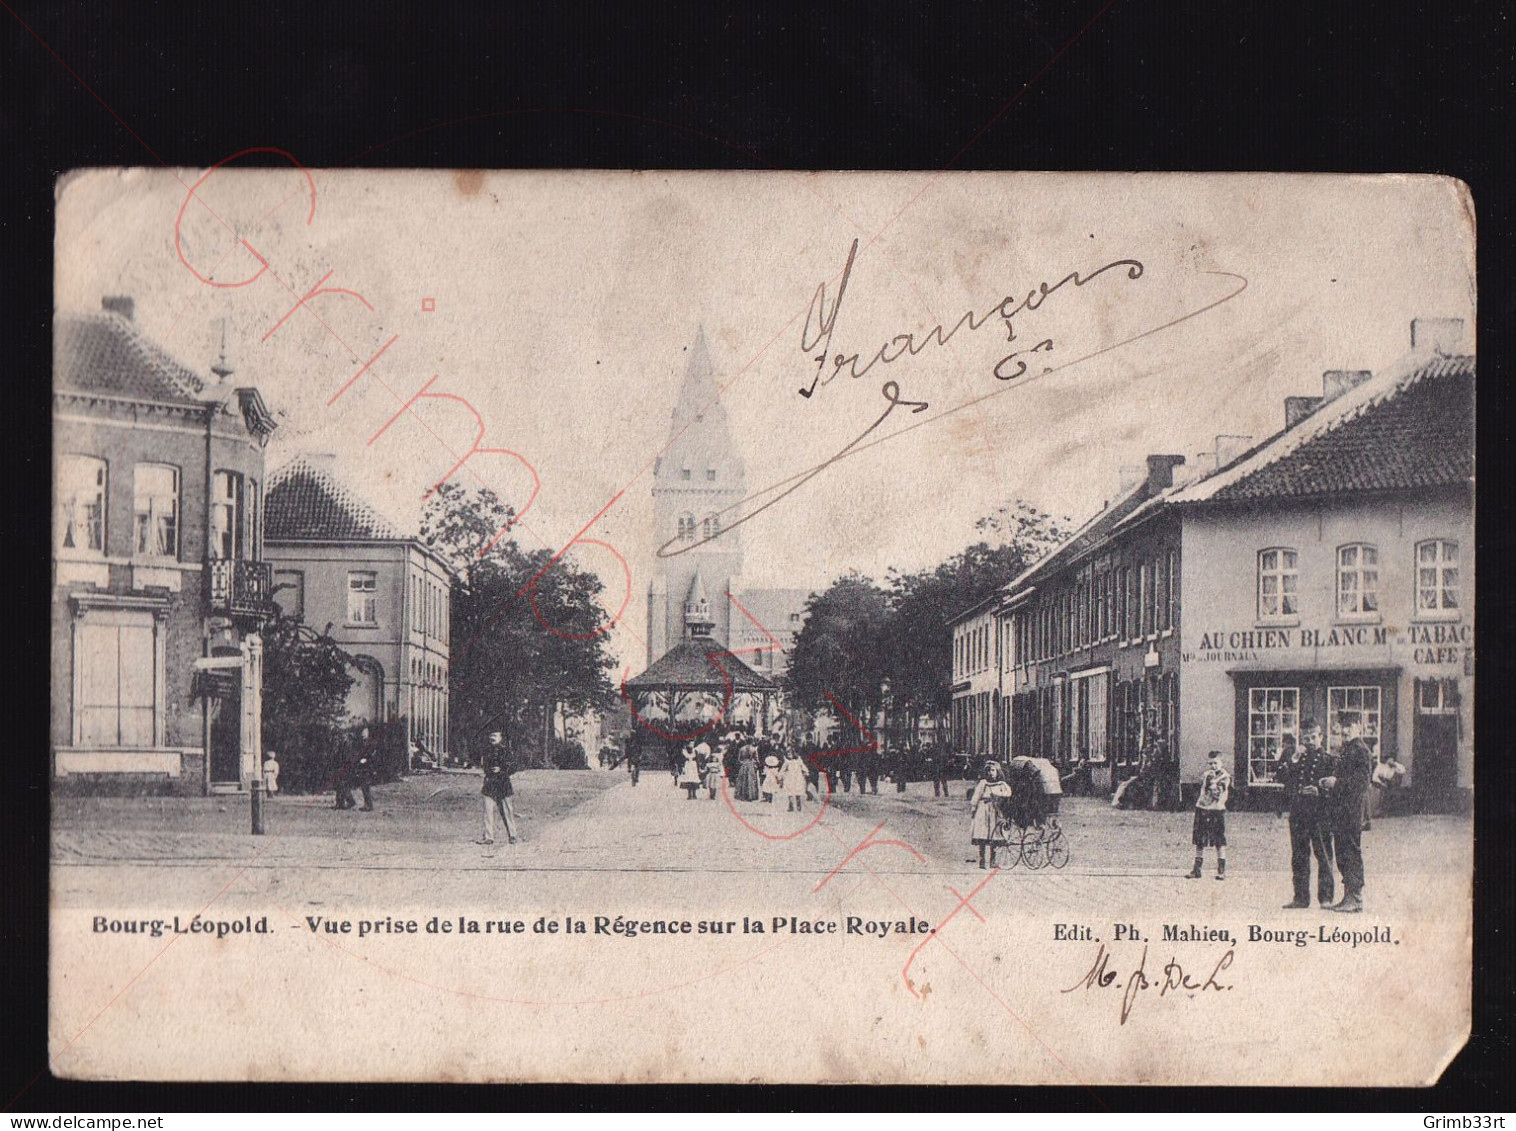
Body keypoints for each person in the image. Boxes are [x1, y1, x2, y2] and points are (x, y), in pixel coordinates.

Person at [1277, 722, 1335, 908]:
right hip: (1299, 813)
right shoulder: (1297, 759)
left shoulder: (1329, 760)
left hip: (1320, 814)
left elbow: (1336, 789)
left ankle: (1326, 898)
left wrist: (1319, 790)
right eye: (1305, 738)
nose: (1309, 741)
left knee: (1323, 855)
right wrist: (1291, 761)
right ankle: (1300, 898)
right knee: (1299, 856)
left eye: (1313, 737)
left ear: (1321, 737)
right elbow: (1281, 778)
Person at [1322, 717, 1375, 912]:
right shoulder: (1347, 749)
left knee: (1350, 851)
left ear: (1358, 728)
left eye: (1349, 729)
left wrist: (1337, 783)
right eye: (1342, 729)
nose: (1344, 732)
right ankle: (1348, 897)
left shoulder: (1361, 750)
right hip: (1342, 809)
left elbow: (1362, 783)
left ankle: (1355, 899)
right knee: (1342, 851)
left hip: (1352, 810)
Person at [1187, 751, 1231, 880]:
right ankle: (1197, 869)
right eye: (1211, 763)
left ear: (1221, 763)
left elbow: (1218, 792)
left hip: (1216, 810)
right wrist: (1209, 781)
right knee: (1199, 839)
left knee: (1219, 840)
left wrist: (1213, 784)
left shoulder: (1225, 777)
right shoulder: (1206, 775)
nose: (1213, 766)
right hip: (1202, 808)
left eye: (1216, 763)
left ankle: (1221, 870)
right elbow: (1204, 790)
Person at [968, 761, 1013, 869]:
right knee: (982, 834)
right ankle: (982, 861)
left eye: (993, 770)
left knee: (994, 834)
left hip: (995, 810)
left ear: (997, 772)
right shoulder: (983, 783)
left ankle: (993, 860)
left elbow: (1008, 793)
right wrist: (974, 807)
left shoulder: (1001, 784)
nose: (990, 773)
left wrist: (998, 795)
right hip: (983, 810)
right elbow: (976, 796)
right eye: (988, 770)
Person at [479, 730, 519, 845]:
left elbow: (514, 767)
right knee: (488, 811)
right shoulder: (486, 751)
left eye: (495, 735)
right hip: (490, 784)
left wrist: (501, 770)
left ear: (501, 737)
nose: (492, 738)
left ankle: (512, 835)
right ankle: (488, 837)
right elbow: (484, 766)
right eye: (491, 735)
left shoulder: (506, 751)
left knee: (508, 811)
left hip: (503, 783)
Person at [780, 747, 808, 812]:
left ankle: (798, 805)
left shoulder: (799, 761)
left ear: (793, 753)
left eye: (790, 753)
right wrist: (780, 776)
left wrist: (806, 771)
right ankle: (791, 805)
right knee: (790, 792)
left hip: (798, 778)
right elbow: (782, 769)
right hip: (790, 778)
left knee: (797, 792)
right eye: (787, 753)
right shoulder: (787, 762)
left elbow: (803, 767)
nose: (789, 755)